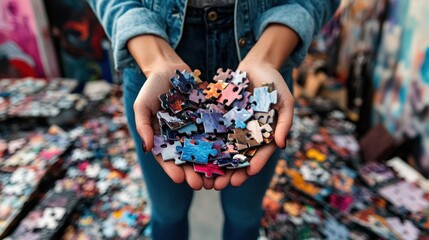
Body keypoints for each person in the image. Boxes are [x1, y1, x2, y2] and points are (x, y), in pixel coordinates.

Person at [87, 1, 339, 239]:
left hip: (266, 57)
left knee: (244, 216)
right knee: (166, 212)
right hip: (151, 62)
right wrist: (155, 60)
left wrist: (268, 56)